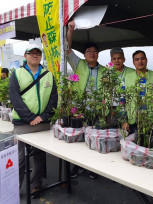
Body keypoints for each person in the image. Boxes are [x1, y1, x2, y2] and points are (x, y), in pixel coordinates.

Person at [9, 44, 58, 192]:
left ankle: (36, 184)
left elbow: (53, 99)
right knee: (20, 158)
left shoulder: (48, 75)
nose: (35, 55)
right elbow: (15, 98)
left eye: (38, 53)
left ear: (40, 56)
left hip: (41, 122)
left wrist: (43, 116)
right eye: (31, 53)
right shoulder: (16, 74)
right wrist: (30, 117)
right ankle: (15, 188)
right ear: (25, 56)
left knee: (39, 155)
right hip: (22, 123)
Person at [67, 20, 105, 179]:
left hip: (96, 111)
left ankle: (92, 168)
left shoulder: (104, 70)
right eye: (89, 51)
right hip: (79, 109)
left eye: (95, 51)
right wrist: (70, 31)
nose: (92, 53)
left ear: (98, 54)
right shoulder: (78, 64)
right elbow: (67, 49)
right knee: (78, 138)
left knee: (94, 139)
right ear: (84, 54)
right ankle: (76, 165)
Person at [124, 50, 153, 132]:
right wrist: (124, 120)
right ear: (133, 62)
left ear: (146, 60)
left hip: (151, 119)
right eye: (137, 59)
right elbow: (123, 99)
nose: (140, 61)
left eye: (142, 59)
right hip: (133, 119)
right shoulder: (127, 78)